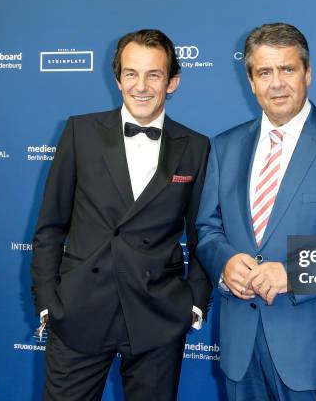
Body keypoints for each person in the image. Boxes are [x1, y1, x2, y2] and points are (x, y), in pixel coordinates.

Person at [196, 23, 316, 400]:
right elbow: (208, 228)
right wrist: (224, 263)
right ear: (251, 81)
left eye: (287, 69)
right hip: (242, 349)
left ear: (308, 73)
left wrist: (293, 273)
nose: (277, 84)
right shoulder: (224, 146)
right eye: (264, 72)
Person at [30, 29, 211, 401]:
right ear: (117, 79)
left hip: (157, 315)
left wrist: (193, 302)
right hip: (79, 311)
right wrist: (48, 300)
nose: (141, 86)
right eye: (131, 73)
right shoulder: (80, 132)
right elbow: (50, 226)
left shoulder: (195, 146)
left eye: (154, 75)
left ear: (172, 81)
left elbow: (203, 233)